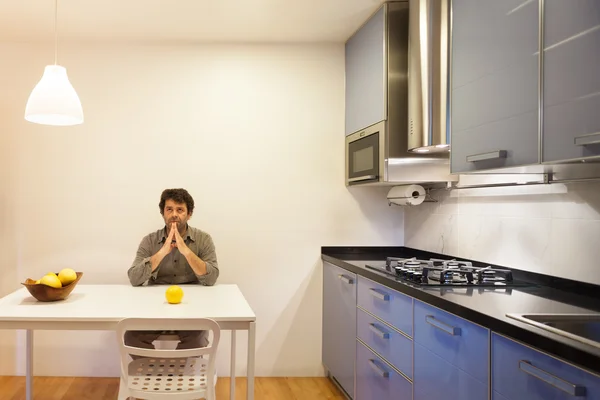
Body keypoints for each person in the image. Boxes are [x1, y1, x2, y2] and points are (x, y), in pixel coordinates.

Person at [125, 188, 219, 351]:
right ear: (163, 213)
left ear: (189, 214)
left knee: (197, 341)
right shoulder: (149, 240)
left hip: (193, 308)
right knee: (131, 338)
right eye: (169, 209)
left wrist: (186, 251)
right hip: (154, 307)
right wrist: (162, 251)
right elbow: (134, 278)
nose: (174, 214)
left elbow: (211, 278)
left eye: (180, 210)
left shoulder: (204, 239)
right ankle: (156, 374)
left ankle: (180, 375)